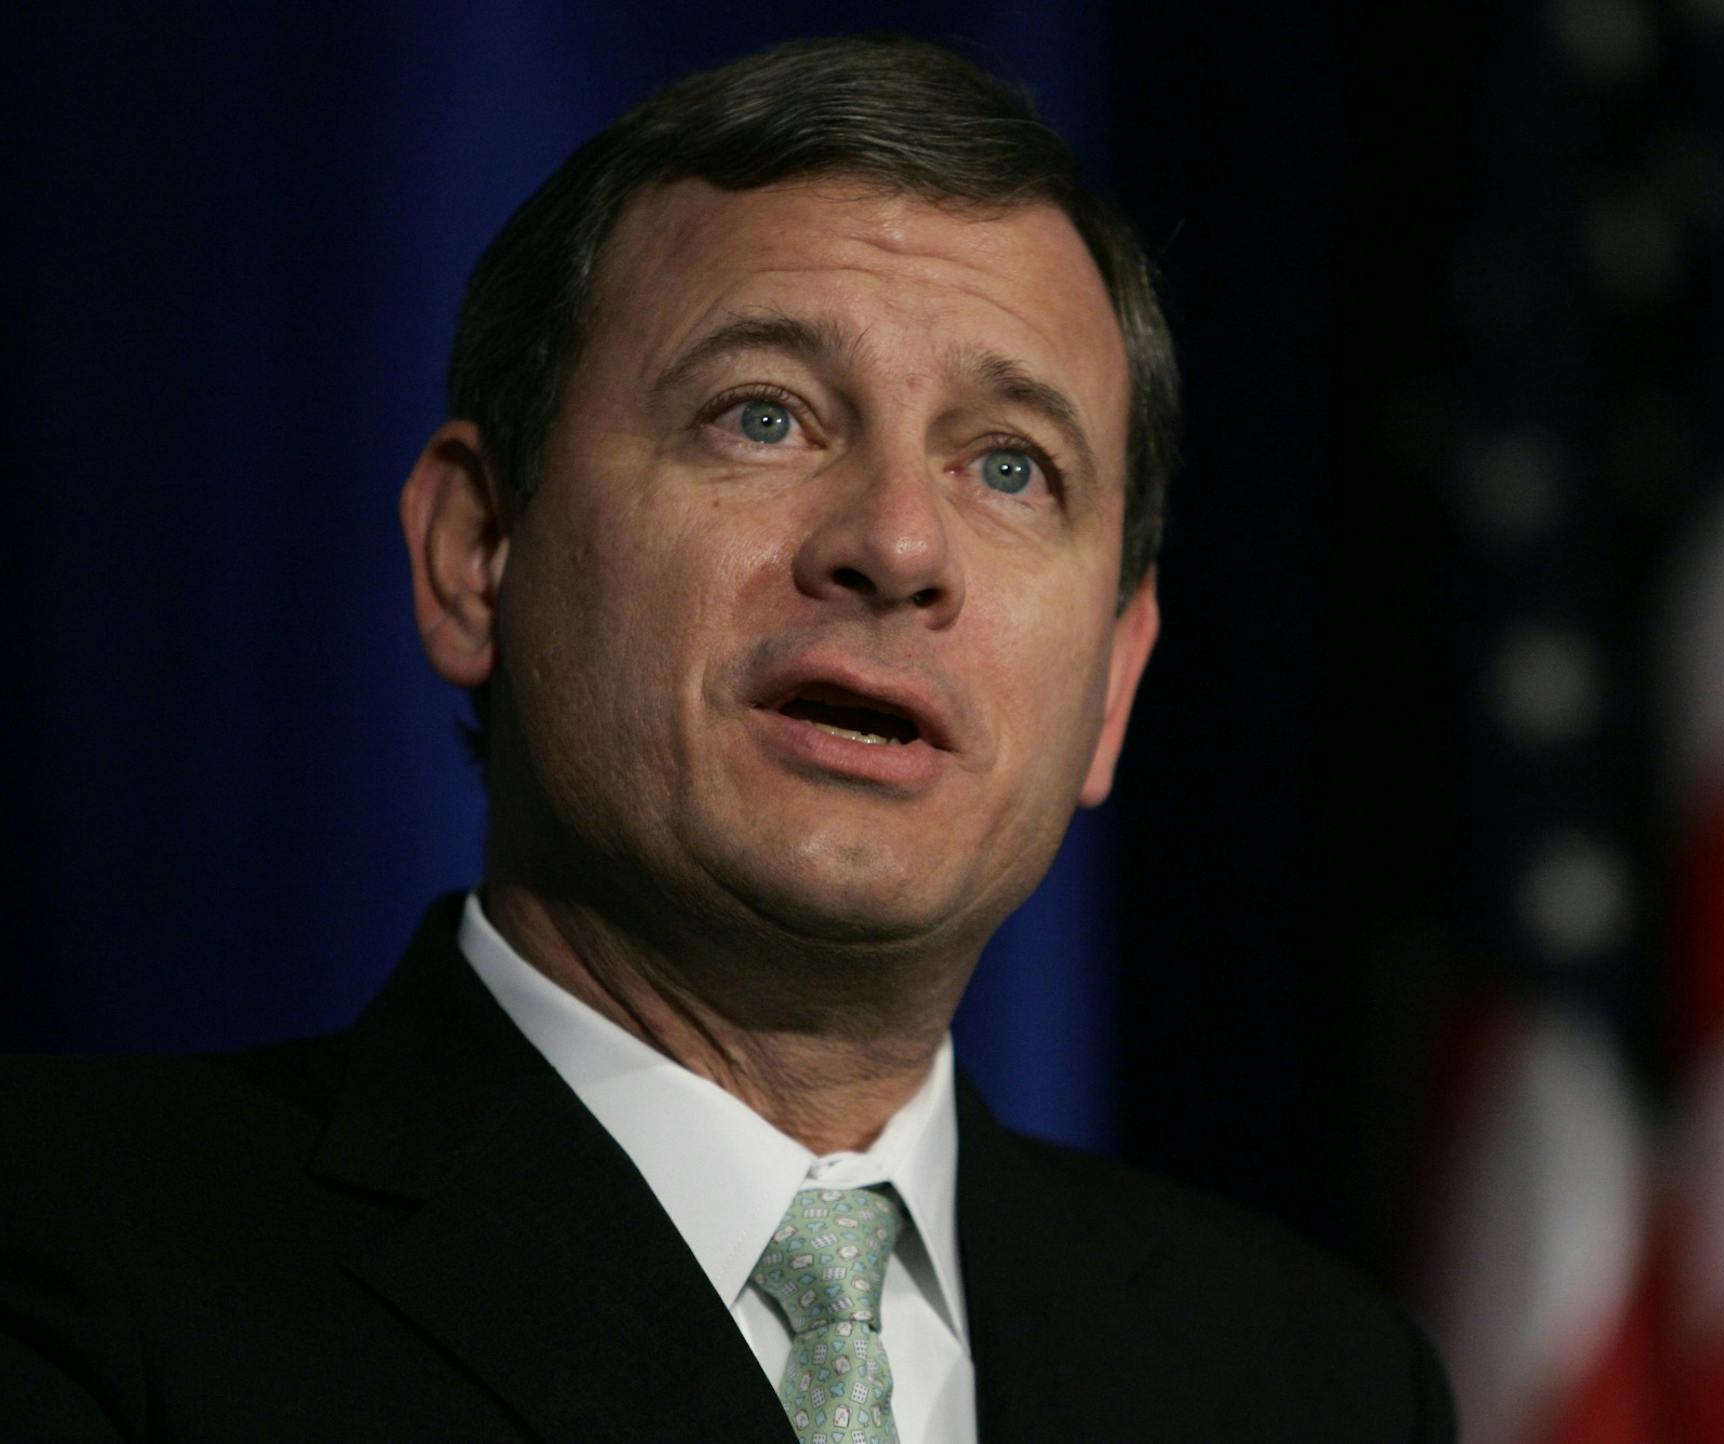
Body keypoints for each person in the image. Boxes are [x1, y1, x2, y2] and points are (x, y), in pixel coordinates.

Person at [0, 35, 1451, 1442]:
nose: (898, 544)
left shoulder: (1315, 1383)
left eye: (1011, 466)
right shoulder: (72, 1250)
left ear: (1117, 683)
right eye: (764, 416)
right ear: (476, 553)